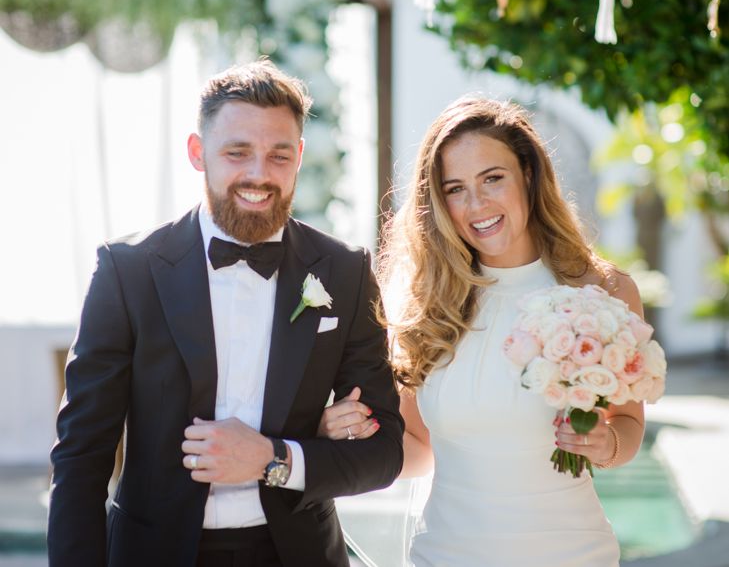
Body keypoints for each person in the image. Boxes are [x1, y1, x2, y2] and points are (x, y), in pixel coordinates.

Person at [47, 59, 404, 567]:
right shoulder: (127, 272)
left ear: (299, 156)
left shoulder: (344, 272)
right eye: (238, 153)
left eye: (279, 156)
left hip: (298, 554)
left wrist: (277, 459)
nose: (259, 175)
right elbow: (81, 456)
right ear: (199, 153)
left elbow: (384, 453)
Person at [319, 96, 646, 566]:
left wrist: (607, 443)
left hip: (572, 555)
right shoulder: (428, 305)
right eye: (455, 189)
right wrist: (349, 437)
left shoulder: (603, 290)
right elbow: (418, 448)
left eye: (493, 179)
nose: (477, 205)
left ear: (529, 177)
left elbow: (629, 424)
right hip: (445, 556)